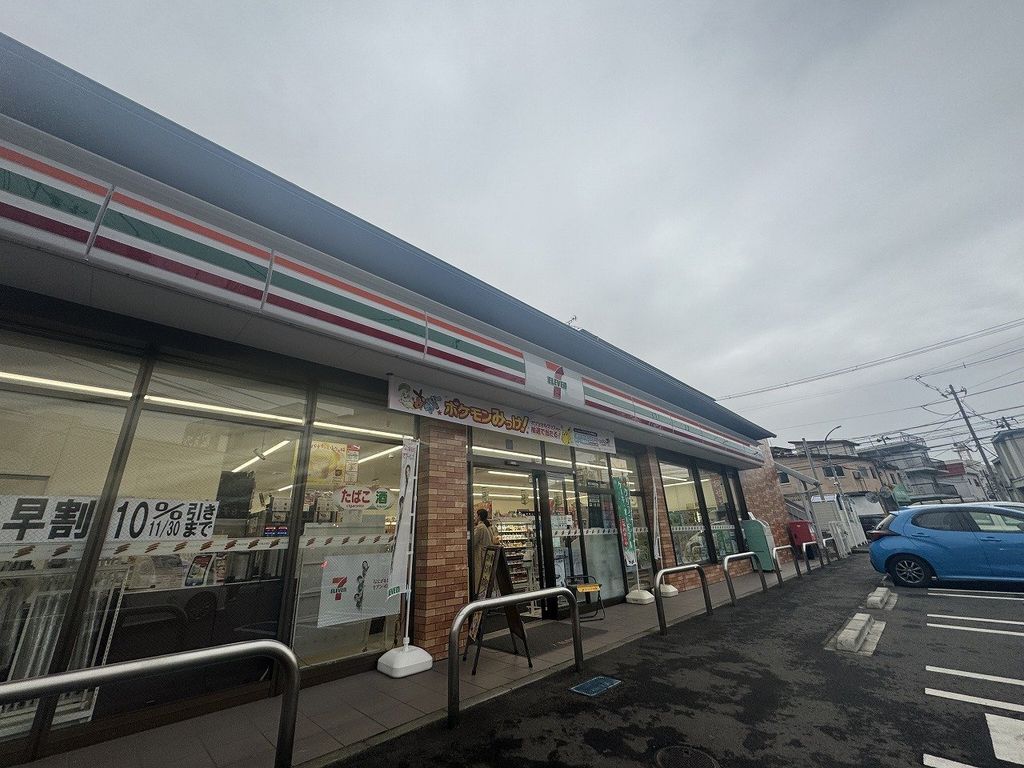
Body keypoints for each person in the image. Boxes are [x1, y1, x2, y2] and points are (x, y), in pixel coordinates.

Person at [471, 508, 497, 597]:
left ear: (479, 516)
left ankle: (479, 596)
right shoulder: (484, 527)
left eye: (476, 515)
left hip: (480, 556)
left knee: (479, 578)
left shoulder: (480, 527)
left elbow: (473, 542)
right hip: (486, 555)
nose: (474, 517)